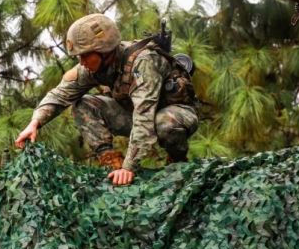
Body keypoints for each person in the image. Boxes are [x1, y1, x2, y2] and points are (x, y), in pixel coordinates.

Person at [15, 13, 198, 186]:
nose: (81, 61)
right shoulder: (92, 67)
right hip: (134, 114)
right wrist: (35, 122)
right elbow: (60, 94)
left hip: (175, 113)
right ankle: (111, 162)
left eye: (85, 55)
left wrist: (129, 167)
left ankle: (177, 160)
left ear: (104, 50)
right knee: (83, 104)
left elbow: (144, 115)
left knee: (165, 124)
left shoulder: (143, 62)